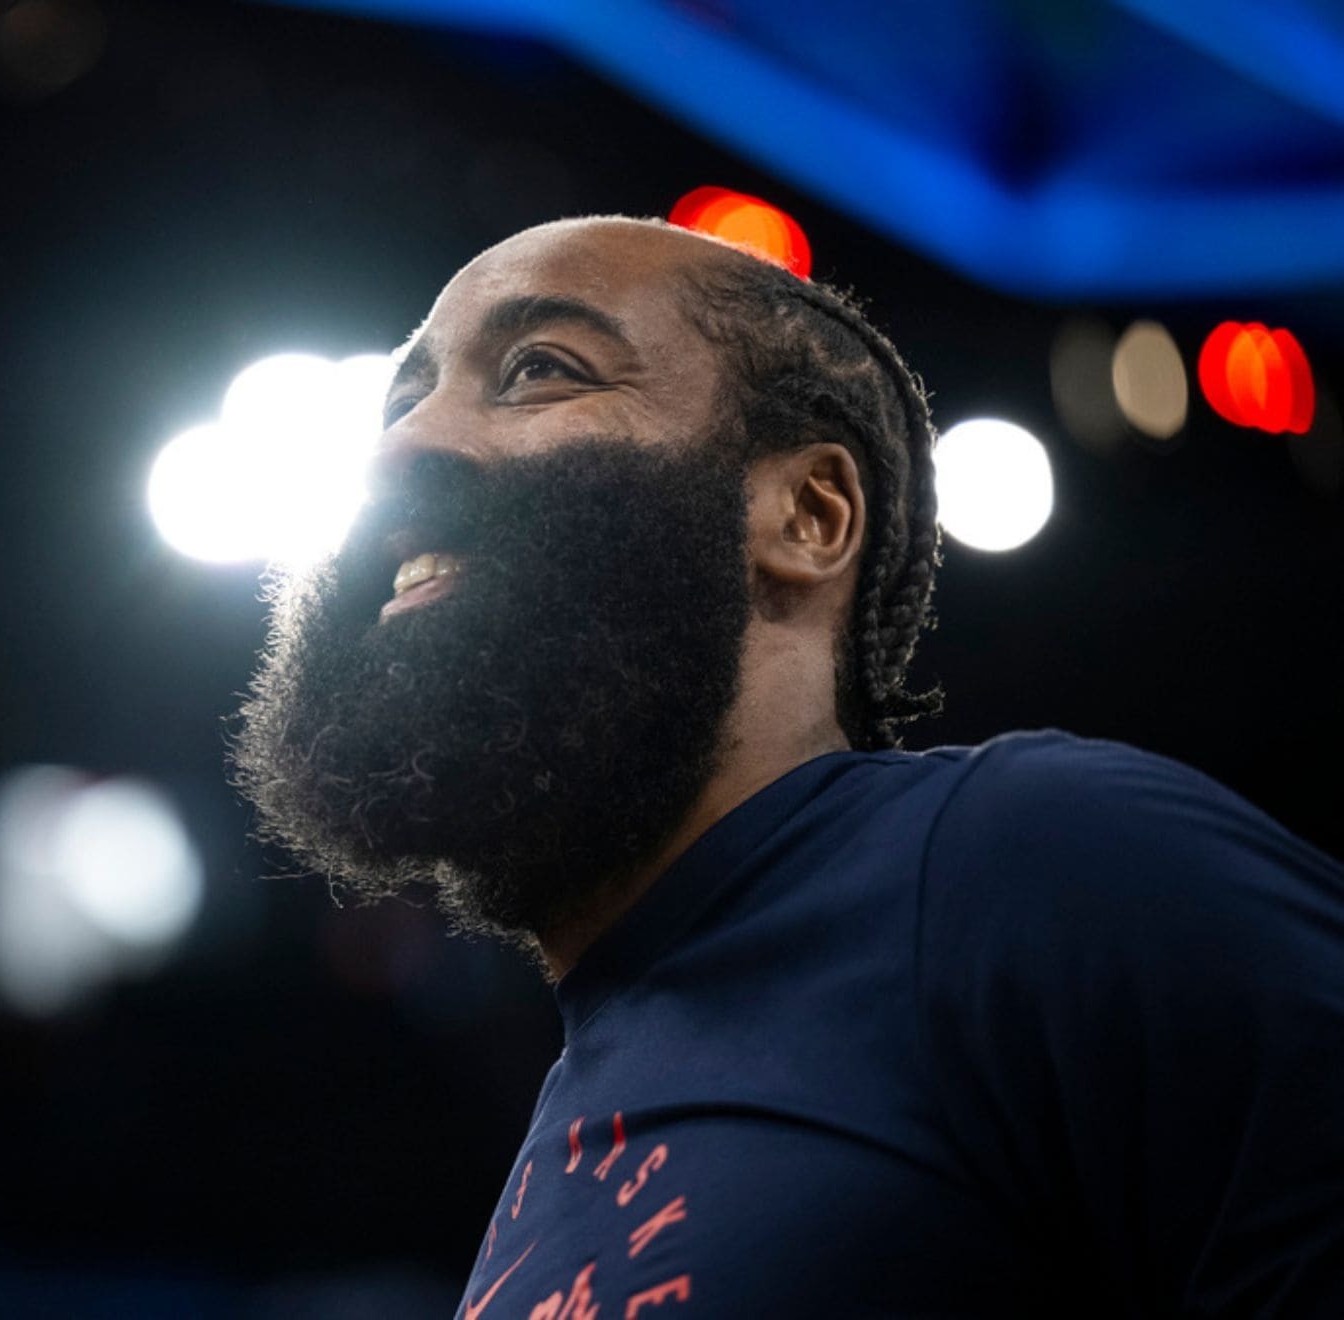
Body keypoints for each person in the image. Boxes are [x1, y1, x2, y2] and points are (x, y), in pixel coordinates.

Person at [230, 215, 1344, 1317]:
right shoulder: (580, 1105)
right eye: (402, 400)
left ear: (808, 515)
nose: (399, 447)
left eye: (538, 369)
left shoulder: (1034, 860)